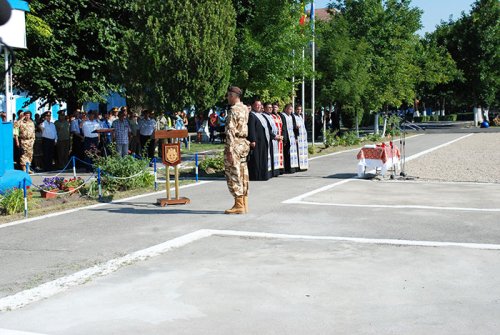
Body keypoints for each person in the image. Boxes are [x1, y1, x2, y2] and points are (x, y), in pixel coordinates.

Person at [224, 86, 250, 214]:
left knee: (233, 173)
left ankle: (238, 203)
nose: (228, 98)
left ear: (234, 96)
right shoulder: (245, 108)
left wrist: (229, 150)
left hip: (234, 143)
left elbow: (230, 130)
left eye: (229, 95)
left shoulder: (233, 110)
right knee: (243, 171)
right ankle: (244, 202)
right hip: (243, 143)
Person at [247, 98, 271, 180]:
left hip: (263, 140)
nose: (258, 106)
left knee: (263, 157)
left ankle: (263, 175)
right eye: (256, 105)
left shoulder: (261, 115)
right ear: (253, 105)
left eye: (259, 105)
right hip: (256, 140)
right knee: (256, 159)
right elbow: (251, 128)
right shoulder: (251, 115)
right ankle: (256, 175)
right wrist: (252, 140)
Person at [262, 102, 282, 177]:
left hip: (275, 139)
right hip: (270, 138)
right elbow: (267, 129)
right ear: (264, 108)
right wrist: (274, 136)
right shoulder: (263, 116)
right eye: (269, 107)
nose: (271, 109)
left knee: (274, 155)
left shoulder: (271, 116)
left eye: (271, 107)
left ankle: (275, 171)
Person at [280, 104, 299, 174]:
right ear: (285, 109)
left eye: (291, 109)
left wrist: (296, 136)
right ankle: (287, 168)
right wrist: (284, 138)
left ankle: (292, 167)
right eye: (289, 109)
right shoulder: (282, 115)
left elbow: (294, 126)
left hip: (292, 136)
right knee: (286, 153)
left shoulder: (292, 116)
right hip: (287, 136)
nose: (290, 111)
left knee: (292, 153)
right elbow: (283, 127)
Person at [294, 105, 309, 171]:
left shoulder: (301, 116)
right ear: (295, 109)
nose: (299, 110)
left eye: (300, 109)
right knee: (298, 152)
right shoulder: (293, 116)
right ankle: (299, 166)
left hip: (303, 137)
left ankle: (304, 165)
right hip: (298, 137)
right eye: (297, 109)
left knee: (304, 152)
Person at [271, 102, 284, 172]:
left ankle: (280, 168)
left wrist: (282, 135)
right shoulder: (270, 116)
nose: (274, 109)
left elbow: (282, 127)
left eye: (275, 107)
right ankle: (275, 169)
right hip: (275, 138)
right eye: (273, 107)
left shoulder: (279, 116)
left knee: (280, 154)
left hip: (280, 138)